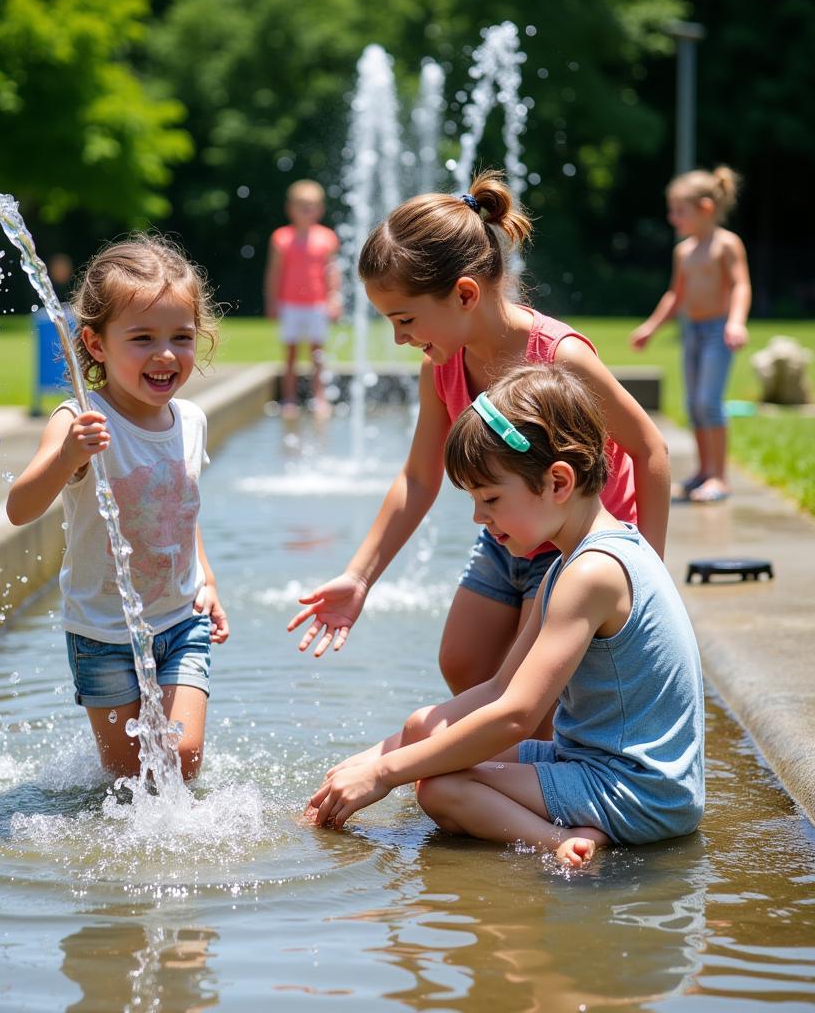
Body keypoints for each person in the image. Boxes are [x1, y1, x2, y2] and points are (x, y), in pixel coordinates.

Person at [288, 172, 670, 721]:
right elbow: (418, 479)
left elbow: (650, 450)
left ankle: (543, 790)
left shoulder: (559, 357)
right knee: (463, 661)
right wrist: (359, 575)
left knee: (526, 688)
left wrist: (645, 573)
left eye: (405, 319)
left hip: (577, 540)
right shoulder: (441, 367)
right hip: (508, 529)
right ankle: (515, 771)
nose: (399, 338)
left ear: (465, 294)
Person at [307, 364, 705, 867]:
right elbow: (499, 687)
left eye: (490, 498)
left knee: (441, 789)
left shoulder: (592, 574)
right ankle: (571, 827)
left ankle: (562, 843)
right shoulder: (573, 560)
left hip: (639, 792)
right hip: (603, 766)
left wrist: (386, 776)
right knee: (428, 737)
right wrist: (385, 756)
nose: (479, 517)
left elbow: (517, 715)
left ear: (558, 481)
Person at [6, 237, 230, 780]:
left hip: (181, 619)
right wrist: (67, 457)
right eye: (143, 338)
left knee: (183, 757)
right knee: (128, 776)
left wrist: (207, 578)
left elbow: (181, 509)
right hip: (102, 632)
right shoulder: (81, 419)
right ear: (97, 344)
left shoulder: (191, 420)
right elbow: (19, 508)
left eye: (181, 337)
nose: (166, 354)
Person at [630, 166, 751, 503]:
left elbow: (741, 285)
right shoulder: (683, 251)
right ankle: (703, 472)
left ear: (706, 209)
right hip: (693, 332)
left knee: (708, 403)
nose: (673, 218)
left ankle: (720, 477)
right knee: (693, 406)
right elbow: (675, 295)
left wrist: (736, 321)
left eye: (679, 211)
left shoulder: (726, 245)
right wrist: (651, 327)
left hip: (717, 332)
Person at [264, 179, 342, 415]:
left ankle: (320, 398)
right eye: (302, 205)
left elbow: (333, 271)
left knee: (318, 355)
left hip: (317, 304)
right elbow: (274, 272)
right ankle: (289, 399)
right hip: (290, 304)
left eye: (312, 205)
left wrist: (334, 298)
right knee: (290, 353)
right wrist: (272, 301)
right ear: (291, 209)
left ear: (320, 209)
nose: (307, 210)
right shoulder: (281, 238)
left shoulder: (327, 237)